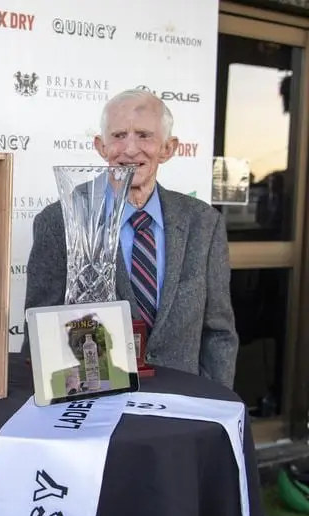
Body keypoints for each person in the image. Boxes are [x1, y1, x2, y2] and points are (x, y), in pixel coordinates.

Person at [22, 88, 238, 389]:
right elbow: (39, 331)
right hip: (94, 404)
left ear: (168, 148)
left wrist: (215, 402)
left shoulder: (203, 223)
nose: (131, 149)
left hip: (181, 408)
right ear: (101, 146)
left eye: (145, 136)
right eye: (119, 135)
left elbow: (219, 333)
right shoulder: (59, 221)